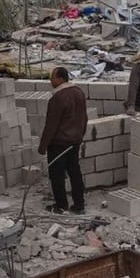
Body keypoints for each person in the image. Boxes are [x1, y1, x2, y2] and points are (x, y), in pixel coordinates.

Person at [36, 67, 88, 214]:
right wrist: (80, 135)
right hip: (75, 140)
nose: (50, 80)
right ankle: (79, 204)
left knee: (57, 175)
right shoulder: (79, 92)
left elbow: (51, 124)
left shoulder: (58, 98)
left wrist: (43, 145)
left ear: (60, 79)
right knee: (75, 172)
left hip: (59, 143)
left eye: (52, 77)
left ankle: (61, 205)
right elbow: (84, 117)